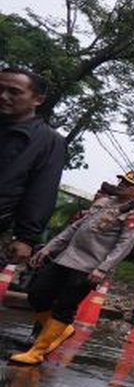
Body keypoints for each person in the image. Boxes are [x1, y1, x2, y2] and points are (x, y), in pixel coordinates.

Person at [9, 171, 134, 366]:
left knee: (65, 306)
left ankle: (37, 352)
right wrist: (49, 248)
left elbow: (124, 245)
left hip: (89, 267)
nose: (122, 185)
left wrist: (103, 269)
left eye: (128, 184)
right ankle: (62, 329)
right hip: (66, 258)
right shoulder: (106, 203)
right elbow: (75, 228)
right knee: (37, 294)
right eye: (122, 181)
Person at [0, 66, 66, 266]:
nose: (3, 96)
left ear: (38, 99)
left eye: (14, 92)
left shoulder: (48, 141)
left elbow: (42, 191)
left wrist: (26, 238)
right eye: (0, 89)